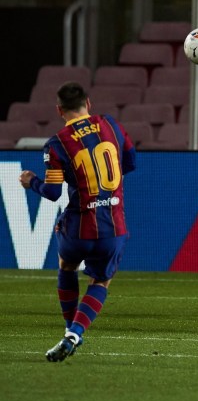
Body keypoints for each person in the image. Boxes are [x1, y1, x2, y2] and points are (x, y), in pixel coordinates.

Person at [19, 82, 136, 362]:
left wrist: (30, 181)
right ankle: (74, 333)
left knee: (67, 265)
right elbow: (130, 162)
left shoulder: (57, 144)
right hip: (113, 226)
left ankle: (69, 329)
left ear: (59, 110)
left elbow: (52, 192)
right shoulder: (111, 126)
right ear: (89, 103)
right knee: (101, 280)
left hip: (78, 229)